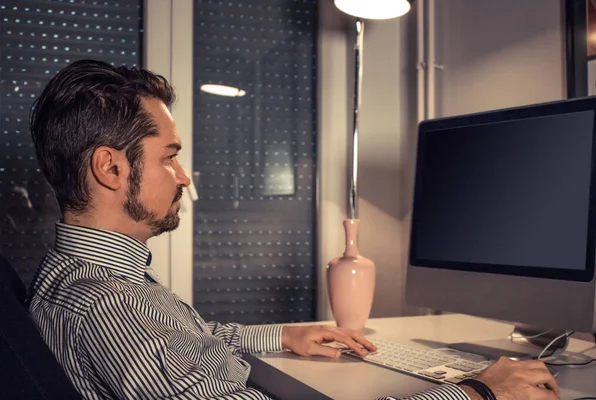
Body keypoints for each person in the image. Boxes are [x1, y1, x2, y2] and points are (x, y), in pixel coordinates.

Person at [28, 60, 559, 400]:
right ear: (111, 168)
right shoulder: (109, 306)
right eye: (169, 158)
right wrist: (479, 393)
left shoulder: (82, 280)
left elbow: (192, 341)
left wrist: (284, 335)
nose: (184, 177)